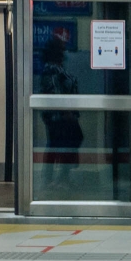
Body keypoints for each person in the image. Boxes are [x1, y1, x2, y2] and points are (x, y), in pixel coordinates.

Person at [39, 37, 82, 190]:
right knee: (60, 144)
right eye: (62, 48)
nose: (65, 51)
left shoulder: (57, 67)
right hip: (59, 116)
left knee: (59, 144)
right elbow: (55, 92)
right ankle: (57, 179)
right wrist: (66, 111)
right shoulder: (51, 69)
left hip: (62, 115)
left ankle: (60, 177)